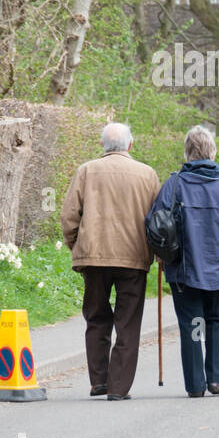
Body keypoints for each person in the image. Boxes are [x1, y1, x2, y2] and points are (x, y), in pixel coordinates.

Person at [60, 122, 161, 401]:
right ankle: (118, 387)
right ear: (130, 145)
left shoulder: (86, 171)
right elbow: (158, 221)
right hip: (133, 258)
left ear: (103, 145)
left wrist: (77, 245)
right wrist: (157, 252)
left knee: (96, 317)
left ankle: (99, 381)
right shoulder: (147, 174)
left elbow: (69, 216)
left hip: (93, 257)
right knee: (128, 322)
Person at [147, 126, 219, 398]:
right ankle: (214, 379)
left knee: (192, 324)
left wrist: (160, 253)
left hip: (183, 269)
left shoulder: (174, 184)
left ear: (187, 151)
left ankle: (195, 384)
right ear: (212, 151)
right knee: (216, 320)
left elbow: (155, 223)